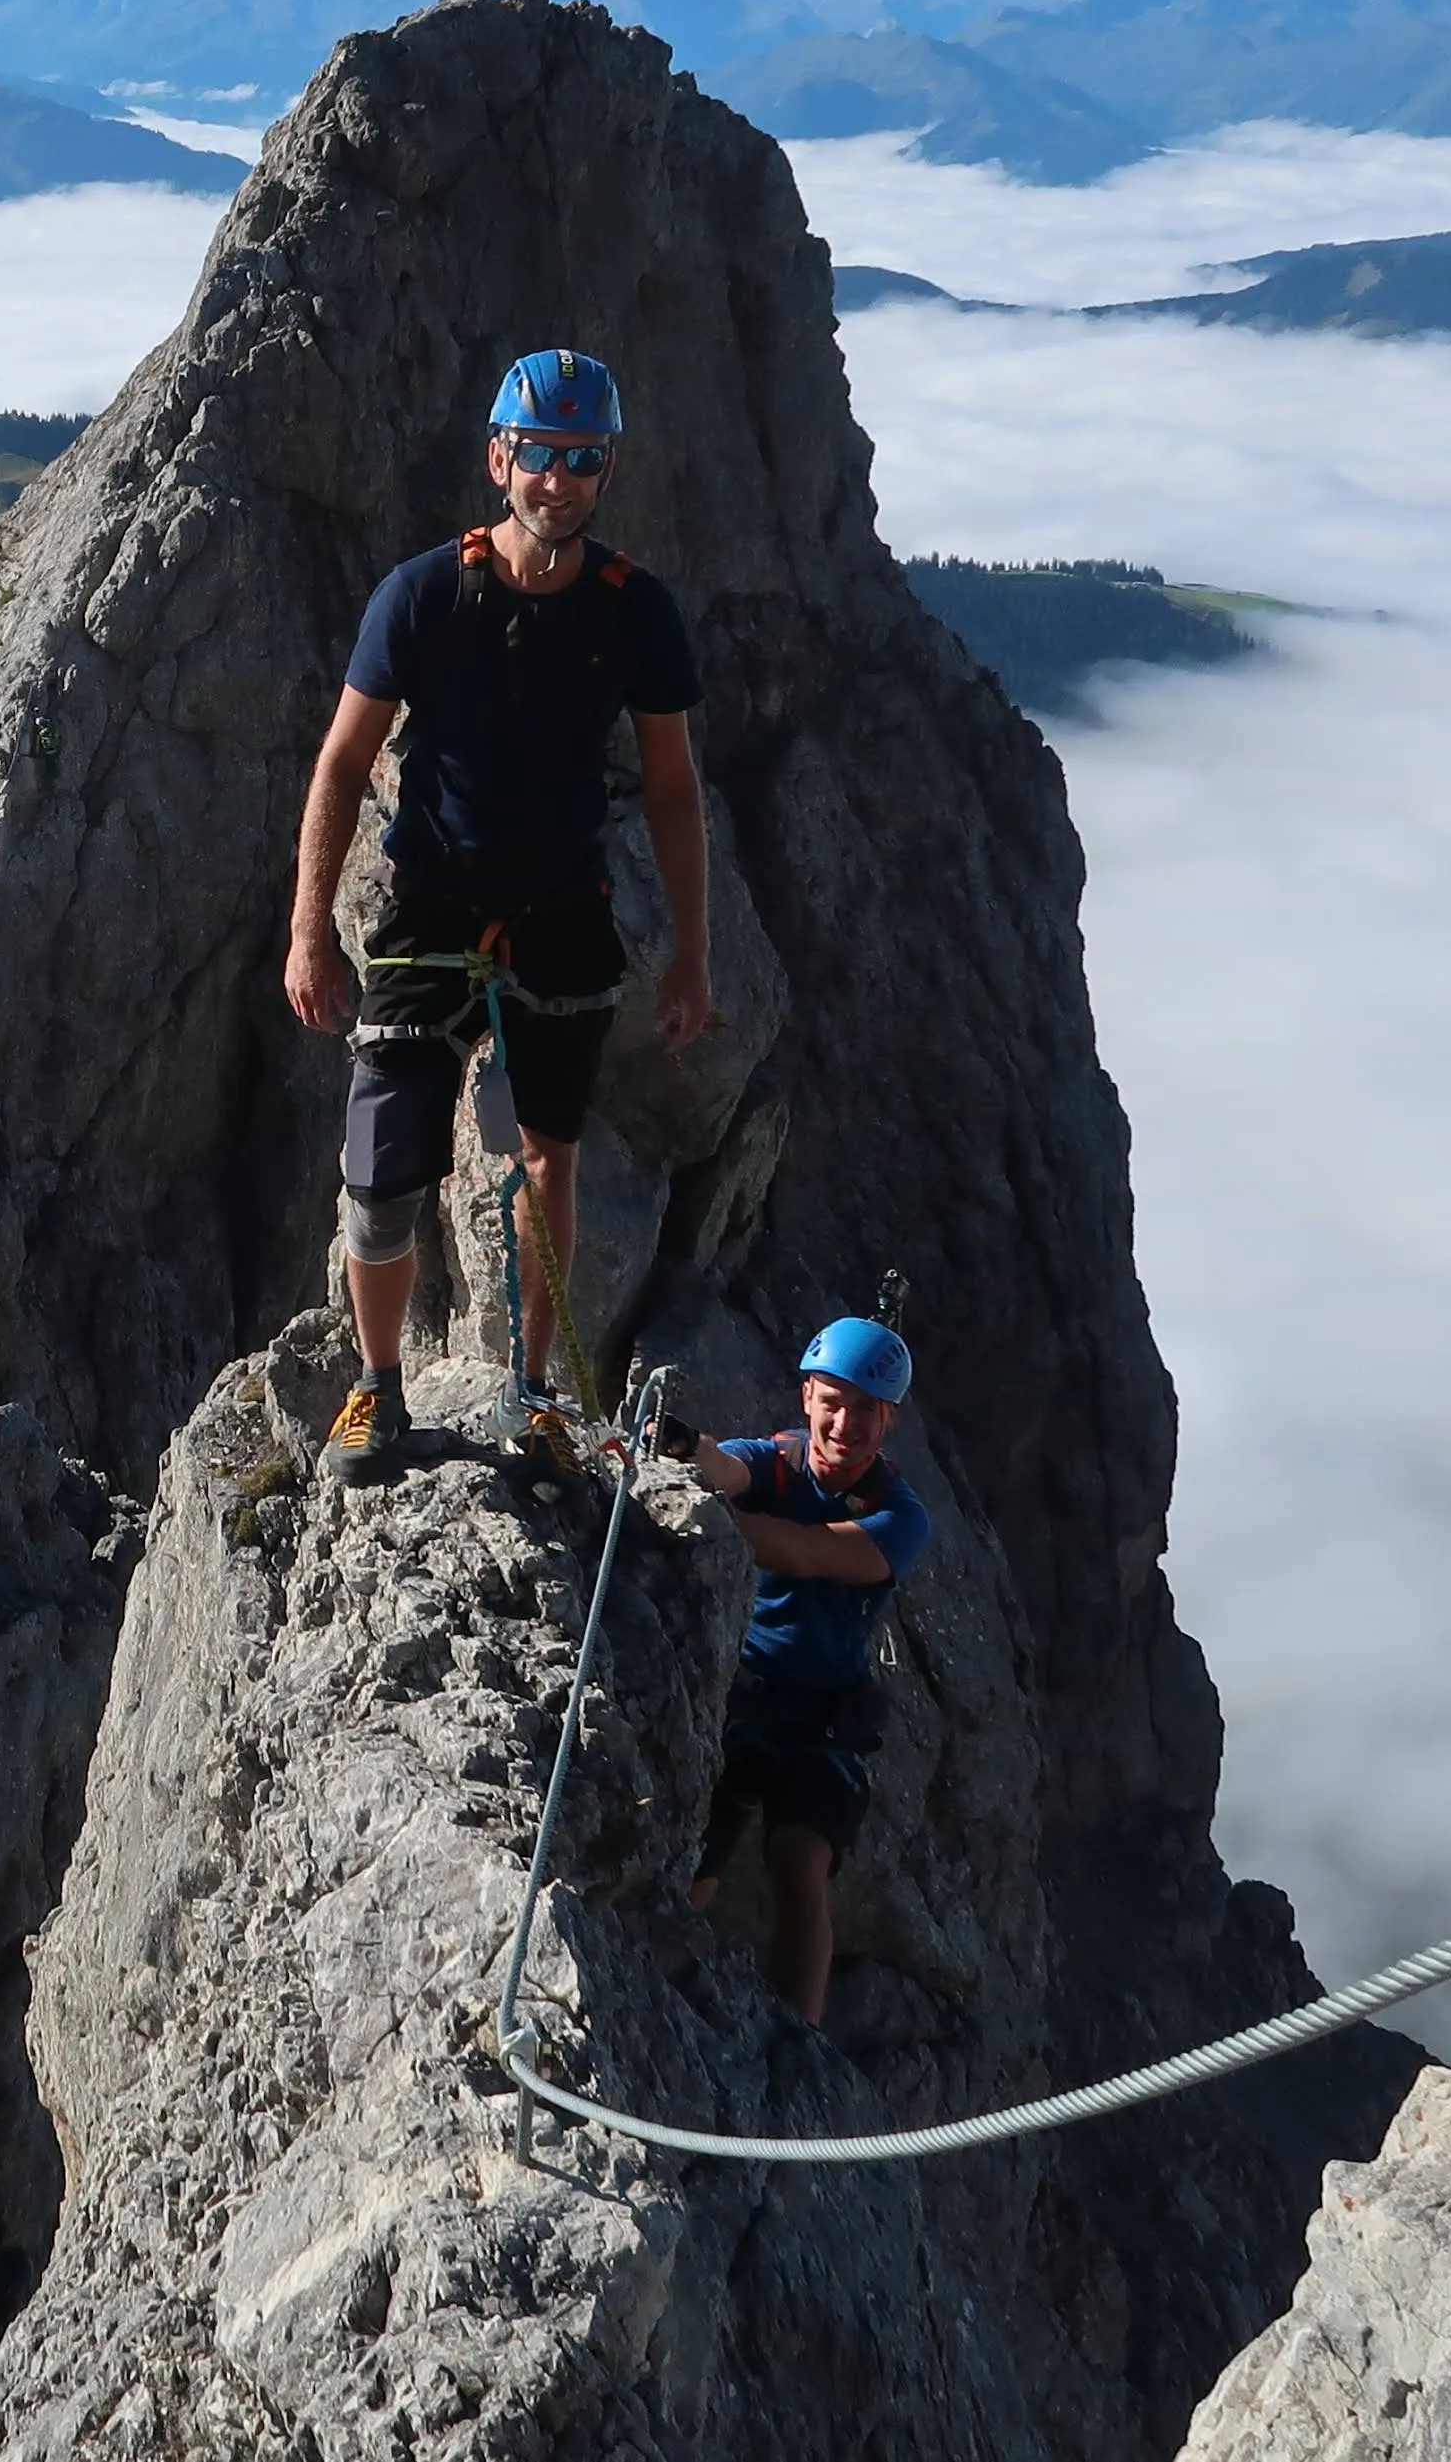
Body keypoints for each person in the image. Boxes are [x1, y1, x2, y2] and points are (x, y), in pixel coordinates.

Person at [282, 347, 715, 1477]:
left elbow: (670, 788)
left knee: (547, 1155)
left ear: (606, 467)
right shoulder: (422, 595)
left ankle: (530, 1393)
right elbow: (341, 763)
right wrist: (306, 929)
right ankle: (376, 1389)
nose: (557, 480)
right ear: (497, 458)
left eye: (581, 460)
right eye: (538, 455)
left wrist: (693, 958)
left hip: (562, 907)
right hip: (431, 900)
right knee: (382, 1161)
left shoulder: (633, 612)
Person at [658, 1317, 931, 2027]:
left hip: (821, 1713)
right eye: (833, 1402)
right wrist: (689, 1452)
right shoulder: (777, 1460)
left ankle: (796, 2041)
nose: (846, 1423)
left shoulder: (899, 1517)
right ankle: (653, 1989)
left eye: (865, 1409)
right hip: (741, 1693)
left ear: (889, 1419)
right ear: (807, 1396)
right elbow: (731, 1468)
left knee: (800, 1859)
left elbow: (805, 1551)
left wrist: (710, 1516)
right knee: (693, 1854)